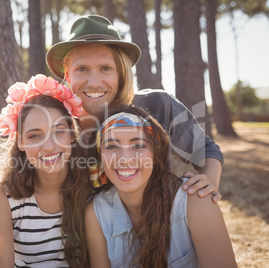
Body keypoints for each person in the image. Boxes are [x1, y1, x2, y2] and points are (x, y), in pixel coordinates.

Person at [0, 14, 224, 228]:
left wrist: (207, 184)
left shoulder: (157, 105)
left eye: (105, 68)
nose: (94, 81)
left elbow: (207, 151)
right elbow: (20, 206)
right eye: (82, 68)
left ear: (121, 72)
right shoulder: (57, 127)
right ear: (67, 74)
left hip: (163, 235)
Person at [85, 105, 236, 268]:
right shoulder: (97, 212)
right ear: (100, 156)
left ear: (155, 154)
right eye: (112, 146)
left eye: (138, 145)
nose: (125, 158)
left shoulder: (195, 201)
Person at [0, 74, 91, 267]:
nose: (49, 146)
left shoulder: (91, 184)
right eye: (35, 135)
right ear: (21, 142)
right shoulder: (2, 193)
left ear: (72, 135)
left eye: (59, 131)